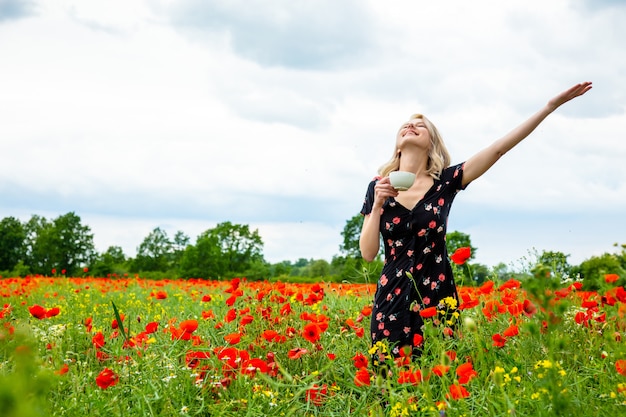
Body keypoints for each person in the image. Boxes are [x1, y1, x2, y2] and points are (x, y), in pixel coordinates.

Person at [359, 82, 593, 363]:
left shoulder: (445, 182)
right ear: (397, 144)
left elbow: (497, 150)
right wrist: (377, 205)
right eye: (405, 125)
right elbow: (368, 253)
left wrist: (548, 108)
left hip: (438, 298)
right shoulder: (378, 186)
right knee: (387, 388)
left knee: (439, 387)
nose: (410, 126)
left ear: (431, 142)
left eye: (419, 126)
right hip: (392, 300)